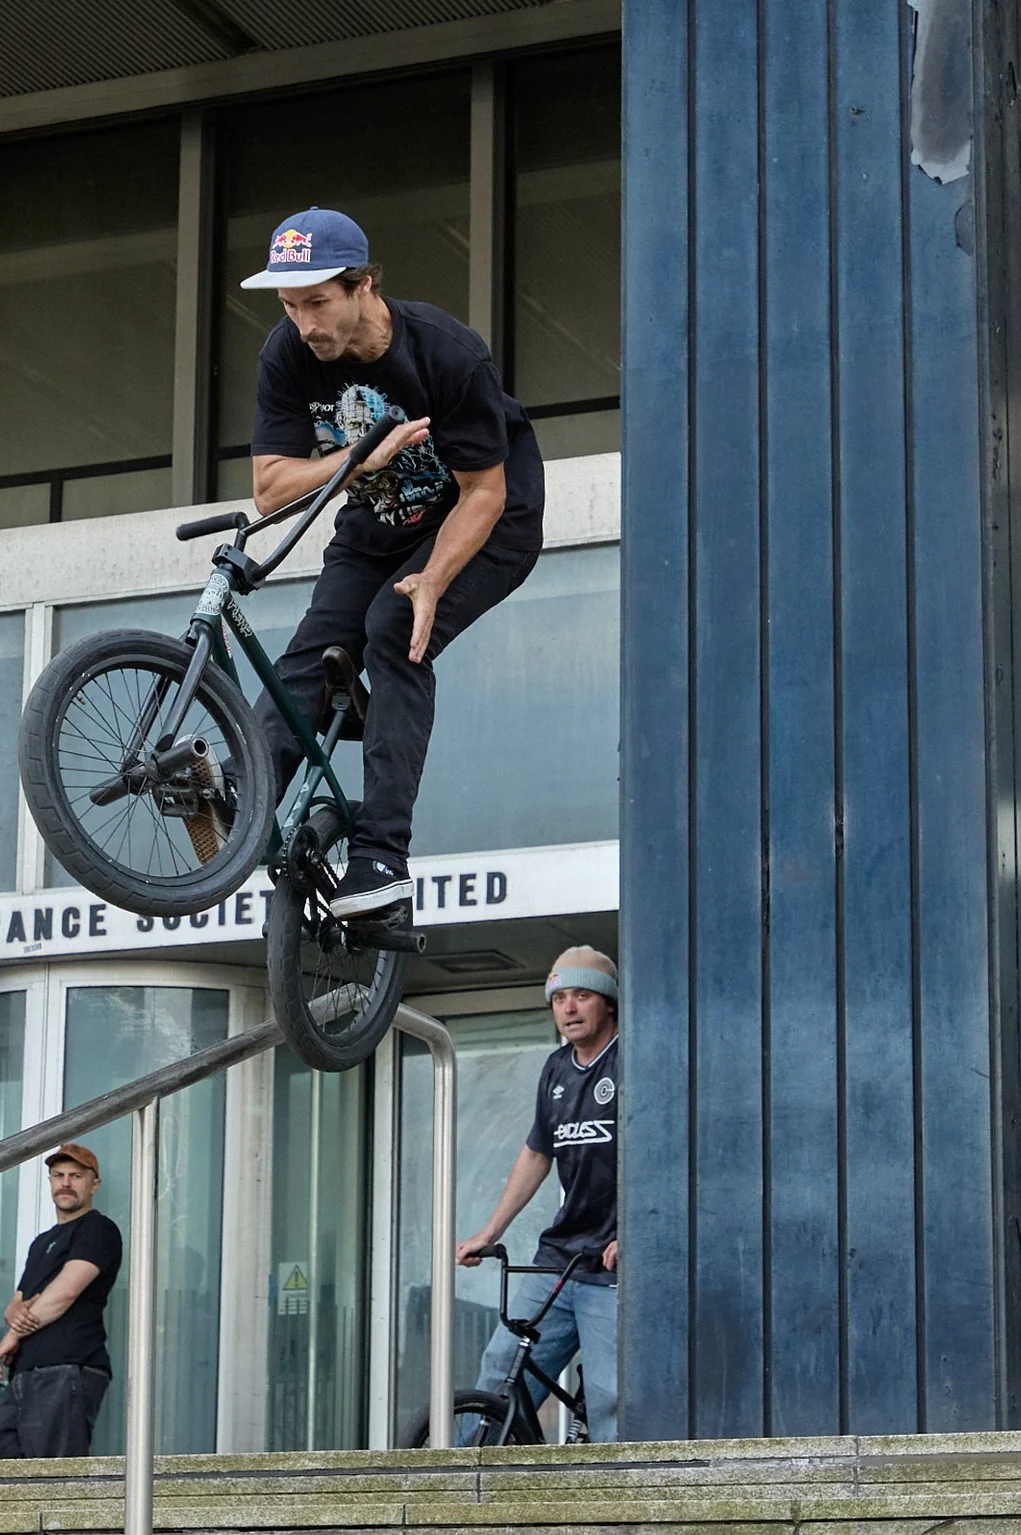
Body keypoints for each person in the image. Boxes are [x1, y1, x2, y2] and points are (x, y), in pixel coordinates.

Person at [241, 207, 545, 921]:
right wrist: (355, 462)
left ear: (364, 286)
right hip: (378, 512)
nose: (305, 324)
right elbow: (269, 486)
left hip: (488, 520)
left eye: (318, 302)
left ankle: (382, 858)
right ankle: (242, 794)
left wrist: (434, 579)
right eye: (290, 306)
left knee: (394, 624)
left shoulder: (444, 352)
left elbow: (484, 489)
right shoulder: (286, 354)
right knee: (313, 650)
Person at [454, 946, 622, 1440]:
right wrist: (490, 1232)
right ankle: (470, 1489)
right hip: (559, 1259)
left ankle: (612, 1507)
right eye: (559, 998)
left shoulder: (632, 1060)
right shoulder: (555, 1069)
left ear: (607, 1003)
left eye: (582, 996)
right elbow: (536, 1153)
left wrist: (637, 1232)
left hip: (612, 1268)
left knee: (613, 1397)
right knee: (501, 1370)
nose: (569, 1008)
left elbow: (663, 1155)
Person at [0, 1143, 123, 1459]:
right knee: (5, 1473)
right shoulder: (41, 1243)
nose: (65, 1182)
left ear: (94, 1184)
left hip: (68, 1368)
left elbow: (63, 1294)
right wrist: (19, 1313)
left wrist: (12, 1335)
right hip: (26, 1372)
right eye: (58, 1175)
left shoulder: (98, 1229)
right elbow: (16, 1304)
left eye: (76, 1176)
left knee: (52, 1480)